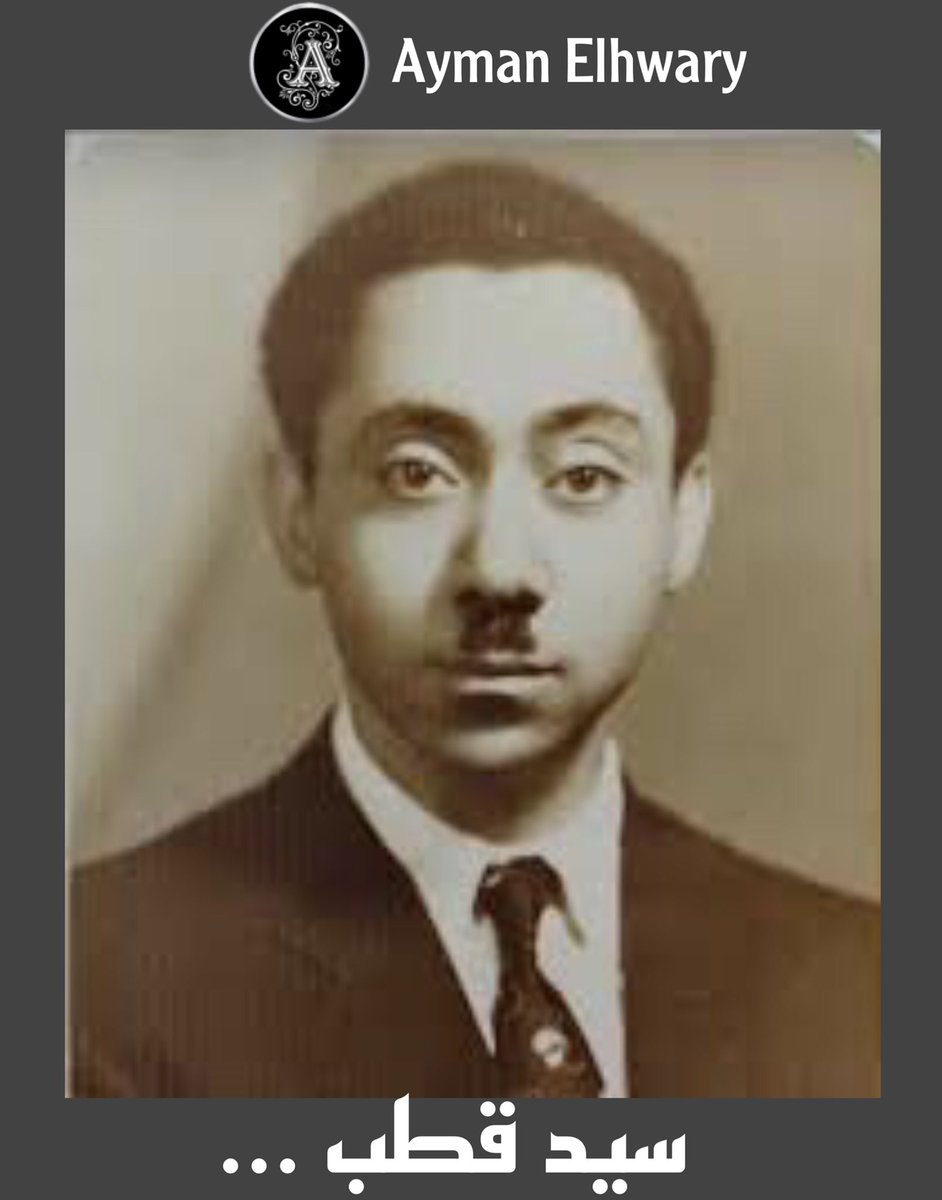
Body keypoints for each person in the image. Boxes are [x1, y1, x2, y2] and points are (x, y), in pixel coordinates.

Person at [70, 160, 879, 1098]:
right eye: (417, 474)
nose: (499, 571)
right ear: (296, 510)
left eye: (583, 477)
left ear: (684, 518)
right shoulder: (95, 977)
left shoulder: (862, 985)